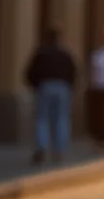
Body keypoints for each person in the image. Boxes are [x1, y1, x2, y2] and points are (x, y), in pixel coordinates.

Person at [24, 27, 77, 165]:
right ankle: (59, 151)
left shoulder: (41, 53)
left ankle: (41, 148)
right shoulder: (65, 54)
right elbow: (73, 72)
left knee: (42, 119)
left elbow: (30, 71)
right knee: (61, 119)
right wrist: (70, 86)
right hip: (62, 87)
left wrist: (35, 85)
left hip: (45, 86)